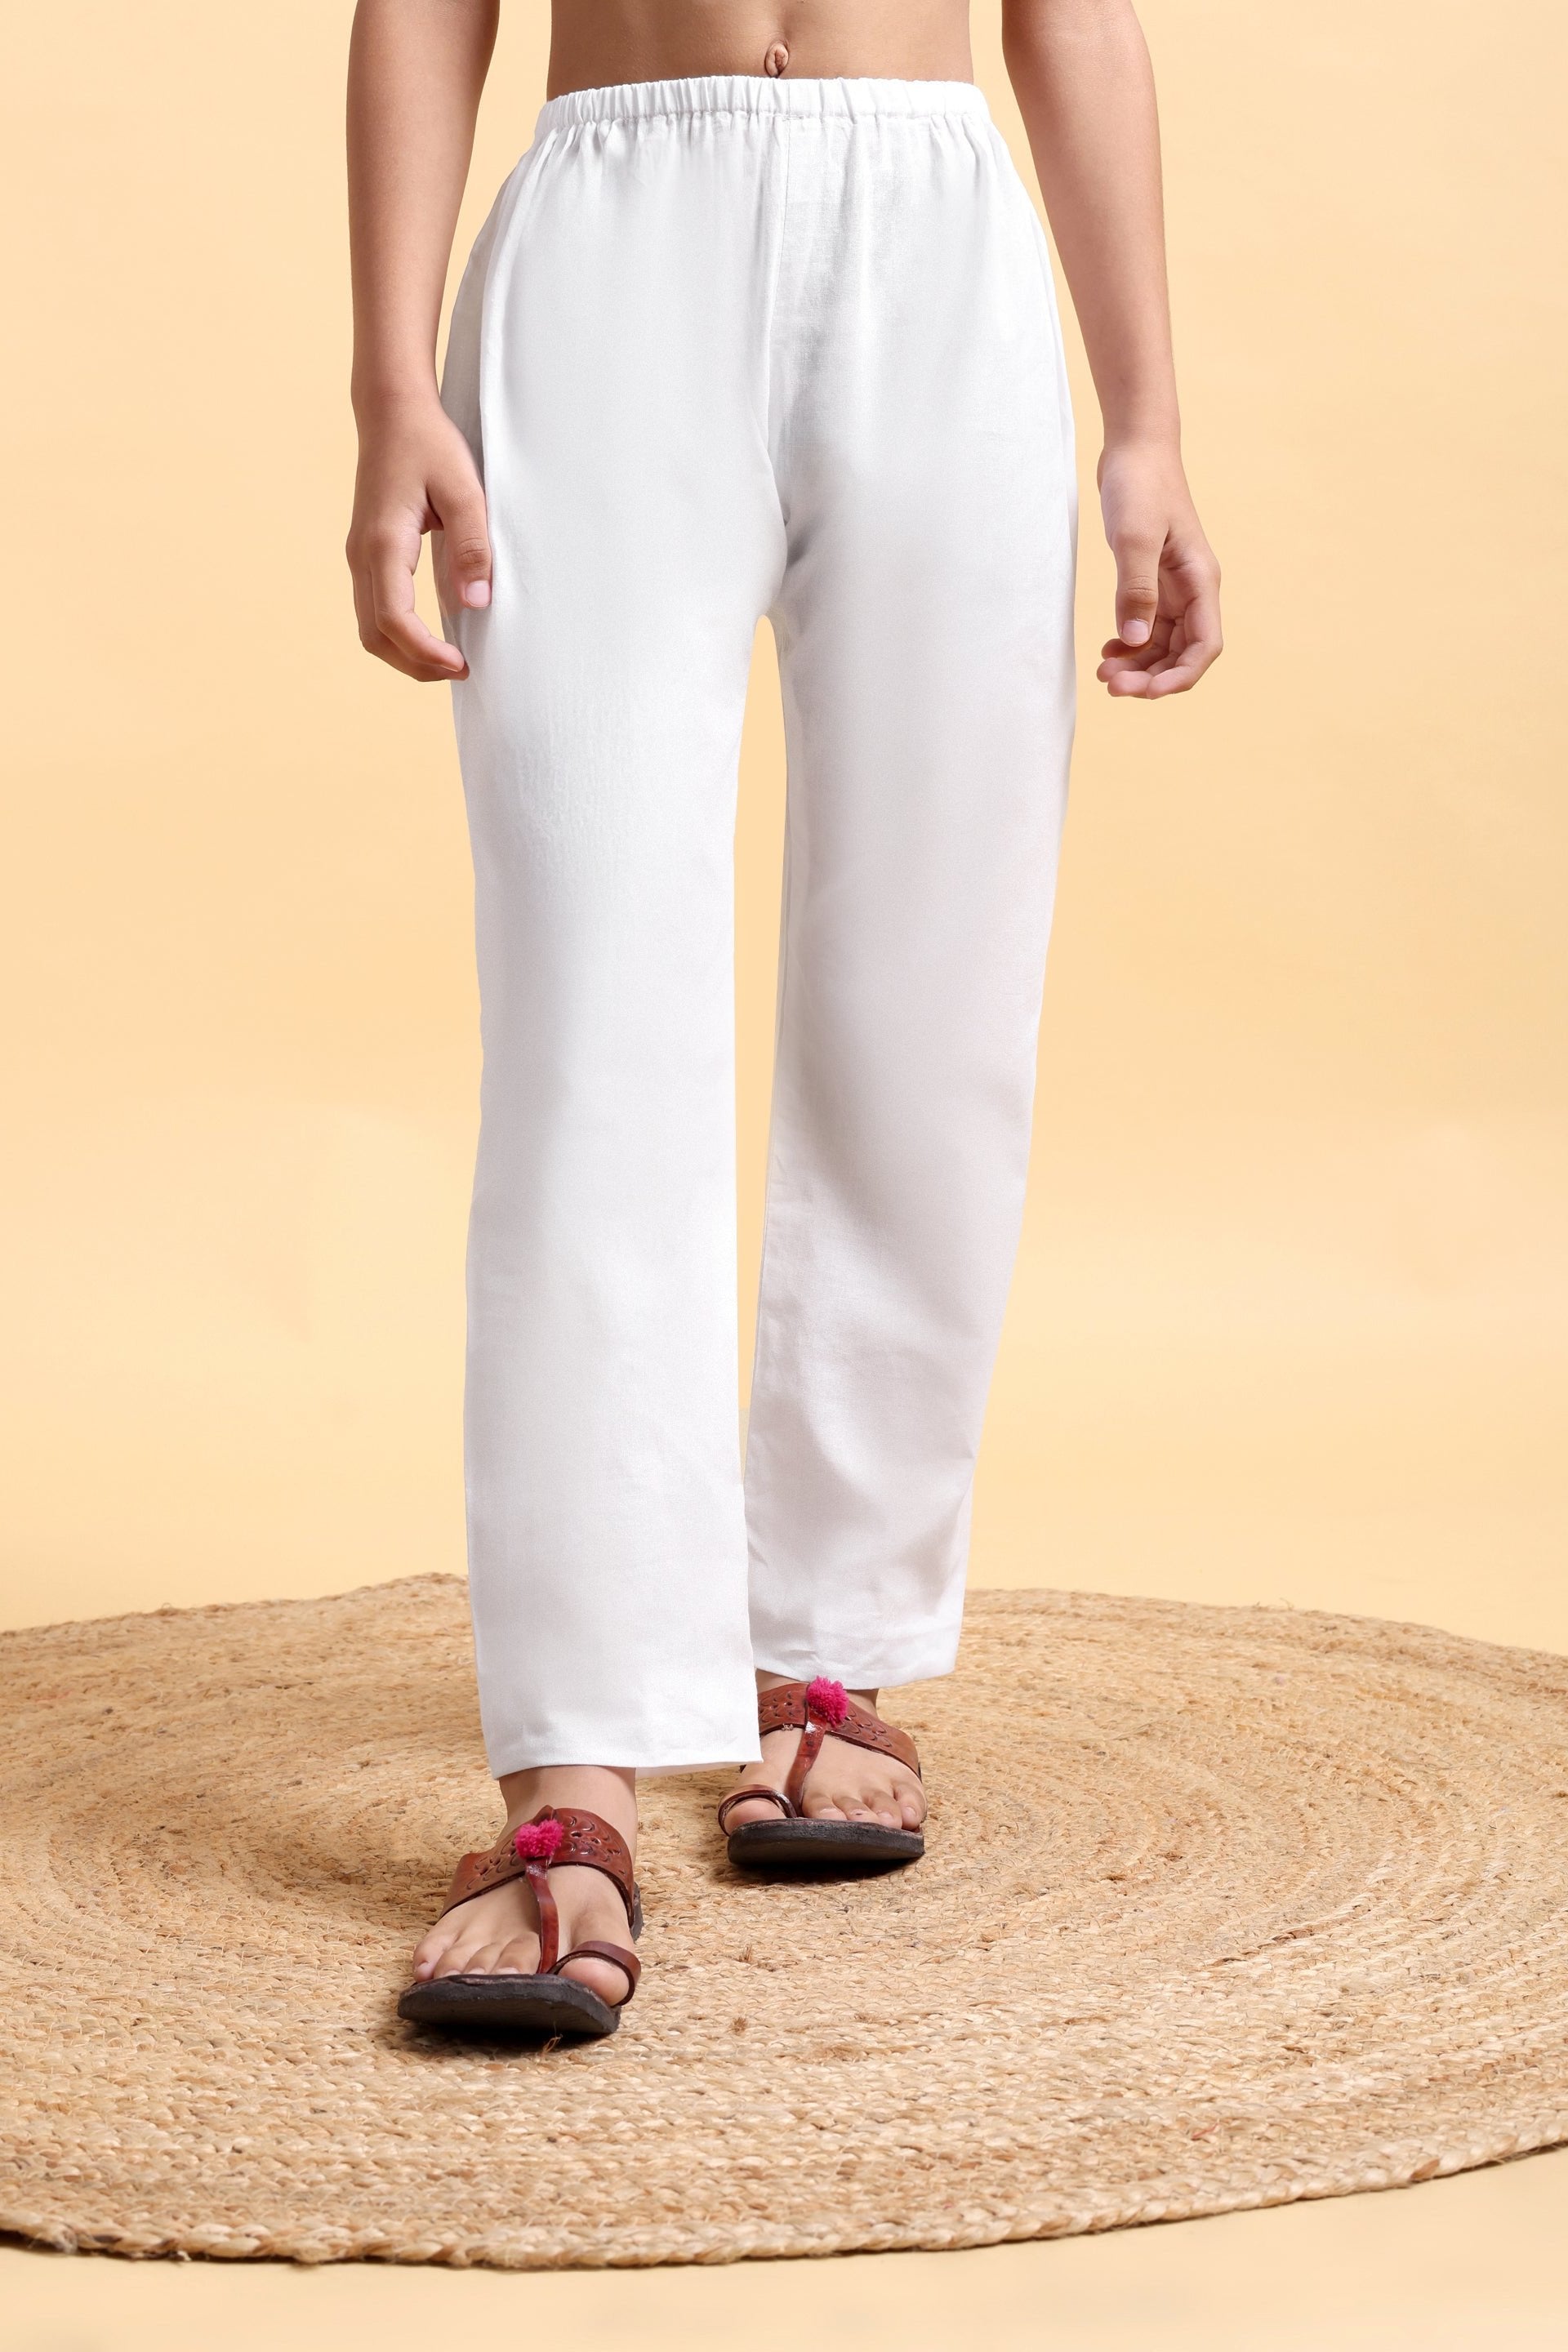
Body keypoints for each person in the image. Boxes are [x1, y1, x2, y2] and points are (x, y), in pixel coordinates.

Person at [346, 0, 1222, 2039]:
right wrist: (388, 384)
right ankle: (570, 1763)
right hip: (607, 246)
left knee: (935, 990)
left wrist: (1149, 418)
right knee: (585, 1034)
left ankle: (834, 1646)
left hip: (939, 249)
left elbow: (1073, 12)